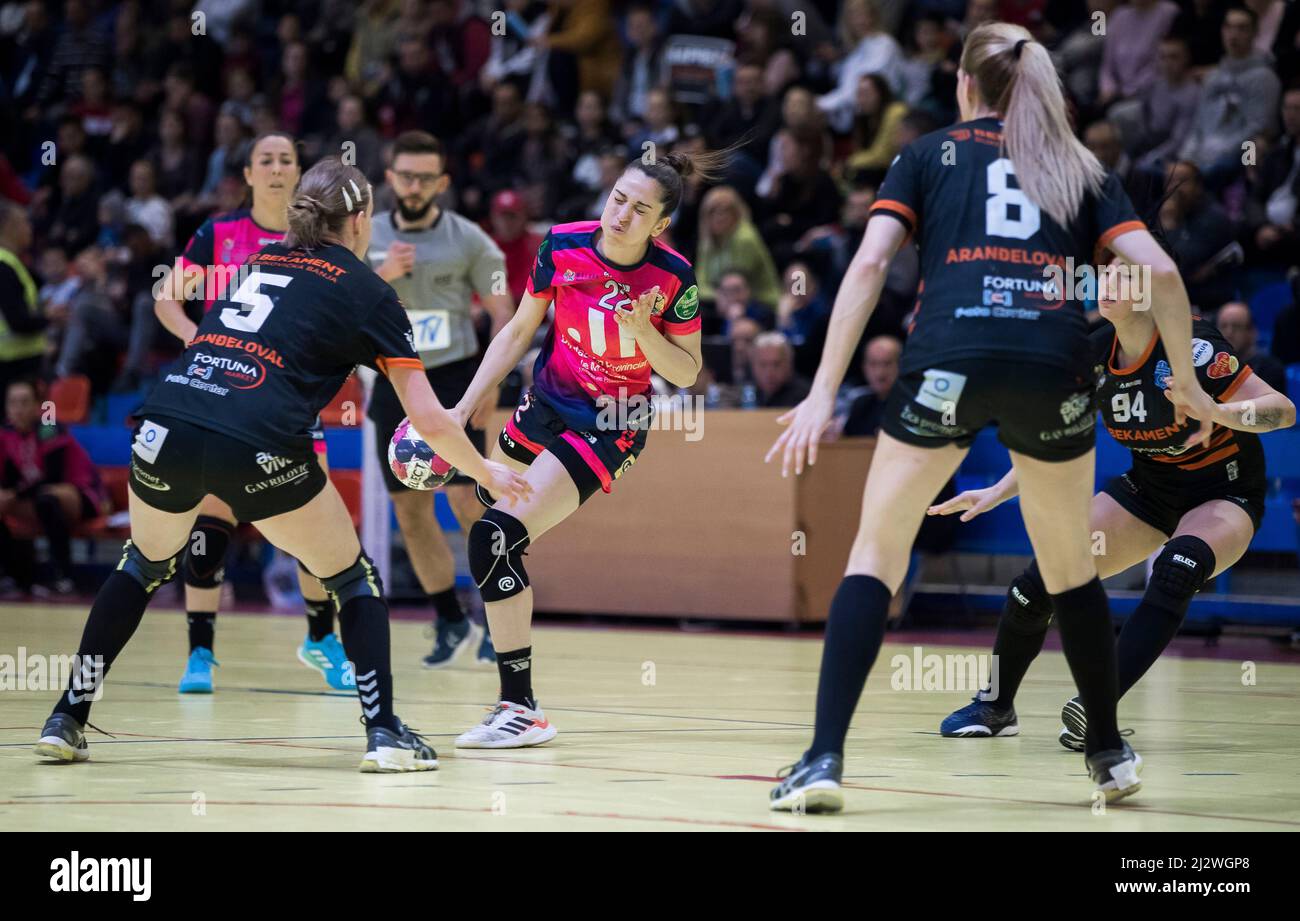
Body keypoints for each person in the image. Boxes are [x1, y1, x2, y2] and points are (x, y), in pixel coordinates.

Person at [765, 22, 1218, 813]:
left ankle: (823, 758)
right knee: (1071, 565)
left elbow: (870, 263)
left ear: (964, 86)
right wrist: (1190, 384)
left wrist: (821, 389)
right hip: (1052, 366)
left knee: (876, 551)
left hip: (948, 359)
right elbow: (1165, 273)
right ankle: (1108, 754)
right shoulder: (1080, 165)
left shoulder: (926, 153)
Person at [33, 158, 531, 772]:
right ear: (358, 221)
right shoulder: (370, 293)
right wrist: (486, 471)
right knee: (353, 578)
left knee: (141, 565)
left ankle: (66, 715)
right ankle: (383, 734)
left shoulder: (257, 265)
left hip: (167, 424)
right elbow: (429, 422)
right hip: (255, 441)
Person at [936, 260, 1295, 745]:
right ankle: (995, 705)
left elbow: (1282, 410)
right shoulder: (1092, 353)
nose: (1108, 286)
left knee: (1177, 567)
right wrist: (997, 491)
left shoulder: (1194, 346)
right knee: (1044, 576)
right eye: (1104, 276)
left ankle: (1096, 706)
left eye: (1124, 278)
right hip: (1149, 490)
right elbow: (1054, 436)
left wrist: (1218, 411)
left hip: (1224, 491)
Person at [445, 148, 716, 748]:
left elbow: (689, 371)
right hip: (545, 403)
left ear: (660, 224)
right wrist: (462, 409)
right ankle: (501, 619)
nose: (621, 214)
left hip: (613, 422)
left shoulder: (674, 278)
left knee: (494, 538)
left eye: (640, 209)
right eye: (618, 197)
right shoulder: (561, 244)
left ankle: (520, 709)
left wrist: (645, 331)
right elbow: (519, 329)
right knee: (485, 513)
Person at [152, 132, 346, 693]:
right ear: (249, 174)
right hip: (222, 395)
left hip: (288, 397)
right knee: (212, 521)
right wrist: (196, 337)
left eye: (288, 159)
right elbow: (167, 296)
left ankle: (320, 639)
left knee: (318, 524)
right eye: (268, 159)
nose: (279, 167)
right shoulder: (220, 233)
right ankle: (200, 654)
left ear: (300, 173)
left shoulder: (314, 239)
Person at [366, 131, 515, 668]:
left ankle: (499, 618)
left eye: (425, 177)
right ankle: (449, 620)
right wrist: (382, 275)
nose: (414, 185)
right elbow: (338, 301)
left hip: (454, 380)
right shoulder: (367, 235)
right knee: (410, 508)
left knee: (468, 501)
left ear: (442, 182)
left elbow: (504, 310)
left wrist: (491, 384)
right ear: (390, 178)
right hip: (393, 380)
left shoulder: (471, 239)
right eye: (406, 175)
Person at [0, 378, 109, 595]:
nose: (18, 409)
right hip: (34, 496)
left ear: (37, 405)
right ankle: (13, 577)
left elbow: (53, 477)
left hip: (83, 496)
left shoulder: (49, 426)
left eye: (24, 402)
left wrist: (13, 494)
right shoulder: (5, 434)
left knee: (48, 499)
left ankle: (63, 577)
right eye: (13, 403)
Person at [0, 202, 46, 394]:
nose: (30, 229)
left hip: (17, 361)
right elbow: (18, 321)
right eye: (25, 223)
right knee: (42, 420)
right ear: (9, 227)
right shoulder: (4, 266)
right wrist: (49, 318)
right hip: (15, 364)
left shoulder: (12, 262)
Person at [1216, 301, 1287, 391]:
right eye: (1223, 326)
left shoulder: (1270, 369)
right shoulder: (1211, 368)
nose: (1229, 333)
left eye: (1236, 326)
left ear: (1252, 332)